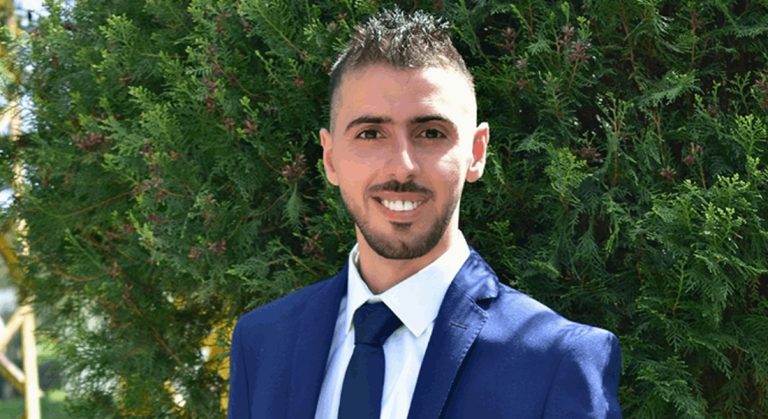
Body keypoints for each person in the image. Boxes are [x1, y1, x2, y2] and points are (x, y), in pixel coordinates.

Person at [228, 8, 621, 419]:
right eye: (370, 133)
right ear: (329, 157)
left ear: (476, 152)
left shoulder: (555, 363)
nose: (402, 167)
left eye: (431, 133)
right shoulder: (262, 343)